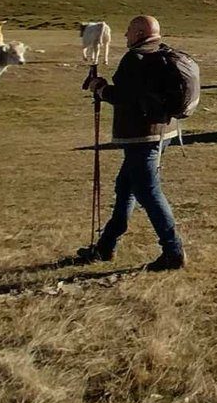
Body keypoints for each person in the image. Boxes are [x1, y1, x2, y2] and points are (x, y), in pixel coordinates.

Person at [76, 14, 187, 270]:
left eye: (128, 31)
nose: (125, 35)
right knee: (125, 187)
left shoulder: (135, 58)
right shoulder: (163, 53)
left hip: (141, 137)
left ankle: (173, 251)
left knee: (149, 192)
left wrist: (100, 89)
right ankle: (106, 246)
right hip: (164, 132)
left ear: (139, 32)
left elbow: (124, 96)